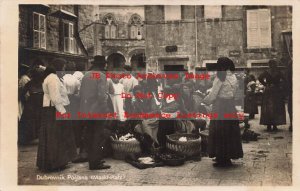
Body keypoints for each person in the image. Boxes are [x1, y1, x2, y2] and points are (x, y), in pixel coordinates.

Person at [37, 58, 77, 172]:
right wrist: (62, 111)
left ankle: (56, 162)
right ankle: (55, 163)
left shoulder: (53, 77)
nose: (64, 69)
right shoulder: (53, 78)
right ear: (58, 67)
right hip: (54, 109)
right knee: (55, 137)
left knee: (56, 137)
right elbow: (55, 97)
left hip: (53, 109)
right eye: (63, 67)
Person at [203, 57, 243, 167]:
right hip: (230, 106)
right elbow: (234, 93)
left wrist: (205, 101)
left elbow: (213, 95)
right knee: (230, 131)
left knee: (219, 131)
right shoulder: (234, 77)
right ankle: (228, 157)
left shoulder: (220, 77)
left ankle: (221, 157)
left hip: (220, 106)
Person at [79, 55, 112, 170]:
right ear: (103, 65)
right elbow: (102, 96)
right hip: (98, 110)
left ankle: (92, 159)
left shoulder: (86, 75)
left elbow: (81, 93)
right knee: (98, 136)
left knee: (89, 135)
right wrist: (106, 109)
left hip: (86, 110)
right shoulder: (101, 76)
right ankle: (96, 162)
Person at [19, 64, 45, 145]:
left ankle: (27, 138)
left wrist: (25, 102)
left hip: (31, 103)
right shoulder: (43, 83)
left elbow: (22, 94)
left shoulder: (30, 83)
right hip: (40, 103)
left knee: (29, 121)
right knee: (39, 120)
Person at [258, 60, 286, 131]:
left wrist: (266, 84)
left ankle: (269, 125)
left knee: (268, 108)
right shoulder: (278, 72)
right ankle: (274, 125)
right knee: (276, 107)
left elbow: (259, 78)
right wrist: (280, 85)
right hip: (276, 91)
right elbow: (284, 79)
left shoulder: (267, 72)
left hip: (269, 91)